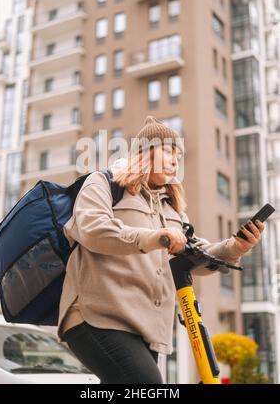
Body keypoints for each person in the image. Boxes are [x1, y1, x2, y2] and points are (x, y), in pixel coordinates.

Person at [57, 116, 265, 384]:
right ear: (145, 152)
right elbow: (93, 230)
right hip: (97, 316)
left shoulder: (172, 208)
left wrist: (235, 246)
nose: (176, 160)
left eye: (178, 154)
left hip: (146, 328)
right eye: (169, 151)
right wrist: (156, 237)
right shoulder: (104, 183)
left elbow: (193, 255)